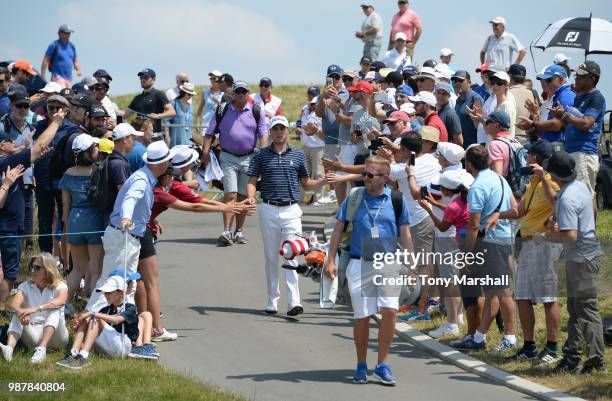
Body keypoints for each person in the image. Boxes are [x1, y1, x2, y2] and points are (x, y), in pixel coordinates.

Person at [138, 146, 252, 341]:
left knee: (141, 279)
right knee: (150, 282)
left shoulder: (167, 185)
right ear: (165, 174)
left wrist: (230, 206)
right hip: (141, 232)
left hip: (142, 228)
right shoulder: (161, 190)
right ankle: (155, 328)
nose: (174, 178)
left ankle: (144, 320)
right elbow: (195, 207)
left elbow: (199, 199)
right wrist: (229, 207)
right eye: (171, 174)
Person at [324, 155, 413, 386]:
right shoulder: (354, 197)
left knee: (390, 311)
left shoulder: (396, 199)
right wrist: (330, 260)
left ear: (385, 178)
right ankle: (361, 364)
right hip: (359, 262)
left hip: (388, 261)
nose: (365, 178)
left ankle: (383, 364)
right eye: (364, 173)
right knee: (362, 316)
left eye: (371, 175)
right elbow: (338, 229)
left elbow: (405, 233)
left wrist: (413, 263)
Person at [485, 141, 563, 365]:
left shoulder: (551, 182)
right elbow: (520, 210)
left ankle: (552, 347)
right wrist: (497, 215)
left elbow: (556, 205)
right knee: (522, 296)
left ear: (536, 158)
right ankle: (529, 346)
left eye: (529, 154)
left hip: (544, 244)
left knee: (548, 298)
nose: (526, 157)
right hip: (527, 243)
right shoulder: (533, 183)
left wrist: (544, 177)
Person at [246, 116, 323, 315]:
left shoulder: (297, 155)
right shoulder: (261, 155)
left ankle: (293, 302)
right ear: (270, 132)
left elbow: (306, 183)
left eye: (282, 129)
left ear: (288, 132)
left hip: (291, 210)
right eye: (275, 129)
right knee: (271, 257)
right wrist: (251, 197)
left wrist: (323, 182)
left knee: (292, 255)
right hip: (269, 209)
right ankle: (272, 300)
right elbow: (252, 180)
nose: (279, 132)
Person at [85, 141, 174, 314]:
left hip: (128, 237)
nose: (169, 164)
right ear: (161, 163)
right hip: (123, 237)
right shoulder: (141, 180)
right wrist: (126, 217)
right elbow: (130, 199)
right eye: (168, 161)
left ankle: (119, 326)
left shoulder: (145, 176)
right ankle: (90, 320)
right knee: (111, 283)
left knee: (127, 284)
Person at [543, 152, 606, 374]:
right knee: (576, 308)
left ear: (554, 175)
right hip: (585, 253)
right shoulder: (579, 187)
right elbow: (593, 208)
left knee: (586, 310)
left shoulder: (567, 197)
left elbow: (569, 236)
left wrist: (545, 237)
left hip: (581, 258)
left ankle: (596, 361)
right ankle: (572, 355)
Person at [0, 108, 65, 321]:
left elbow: (35, 152)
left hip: (10, 226)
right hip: (6, 228)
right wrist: (55, 122)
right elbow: (38, 147)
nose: (13, 143)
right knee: (8, 271)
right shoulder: (6, 163)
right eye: (8, 141)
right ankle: (1, 309)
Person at [452, 145, 517, 355]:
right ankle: (479, 337)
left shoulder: (477, 187)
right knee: (491, 292)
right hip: (505, 237)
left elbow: (473, 225)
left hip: (489, 242)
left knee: (501, 291)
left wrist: (468, 254)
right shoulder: (500, 179)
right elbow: (515, 208)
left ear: (468, 164)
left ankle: (510, 336)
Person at [201, 80, 268, 246]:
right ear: (234, 93)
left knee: (243, 196)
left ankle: (238, 232)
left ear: (247, 93)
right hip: (228, 157)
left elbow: (263, 135)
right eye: (237, 91)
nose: (240, 94)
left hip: (249, 158)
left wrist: (264, 156)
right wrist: (205, 151)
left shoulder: (256, 110)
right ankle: (226, 231)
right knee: (230, 194)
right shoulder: (222, 109)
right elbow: (209, 133)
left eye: (243, 91)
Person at [419, 169, 473, 338]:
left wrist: (428, 210)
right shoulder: (462, 199)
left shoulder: (455, 205)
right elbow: (451, 210)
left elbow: (443, 225)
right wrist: (434, 204)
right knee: (456, 282)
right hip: (466, 245)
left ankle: (451, 325)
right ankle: (458, 317)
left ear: (446, 191)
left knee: (451, 284)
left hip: (455, 244)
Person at [59, 134, 105, 312]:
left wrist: (66, 225)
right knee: (95, 267)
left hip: (74, 220)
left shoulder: (68, 173)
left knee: (77, 268)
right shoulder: (97, 171)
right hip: (94, 220)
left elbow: (65, 203)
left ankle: (65, 304)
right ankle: (94, 308)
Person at [57, 276, 141, 369]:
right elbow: (92, 329)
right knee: (88, 319)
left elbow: (116, 320)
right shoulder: (105, 309)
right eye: (105, 293)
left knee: (94, 317)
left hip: (123, 347)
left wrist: (91, 313)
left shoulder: (130, 308)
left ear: (121, 292)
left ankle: (83, 356)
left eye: (109, 292)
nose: (106, 295)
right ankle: (73, 353)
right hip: (109, 346)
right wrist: (76, 325)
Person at [0, 253, 69, 364]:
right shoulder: (25, 286)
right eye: (31, 266)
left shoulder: (60, 285)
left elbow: (61, 301)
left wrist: (36, 309)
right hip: (34, 334)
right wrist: (22, 314)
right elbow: (14, 305)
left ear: (48, 269)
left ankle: (42, 350)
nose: (32, 270)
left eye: (37, 267)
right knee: (16, 313)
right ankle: (9, 349)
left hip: (57, 337)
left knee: (54, 308)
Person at [550, 61, 605, 198]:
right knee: (576, 196)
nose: (576, 78)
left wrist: (564, 115)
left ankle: (590, 221)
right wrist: (560, 117)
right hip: (573, 151)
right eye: (576, 75)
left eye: (581, 76)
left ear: (592, 79)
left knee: (585, 196)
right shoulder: (579, 97)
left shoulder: (596, 98)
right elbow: (570, 125)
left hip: (584, 152)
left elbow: (586, 124)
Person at [125, 69, 176, 133]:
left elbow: (172, 112)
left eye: (146, 78)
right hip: (140, 136)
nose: (143, 80)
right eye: (141, 78)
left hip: (155, 136)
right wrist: (112, 110)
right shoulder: (137, 98)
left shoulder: (159, 94)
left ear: (154, 79)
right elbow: (125, 115)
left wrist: (158, 116)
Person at [298, 94, 325, 204]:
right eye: (312, 104)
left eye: (316, 104)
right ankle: (298, 198)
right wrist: (304, 128)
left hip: (318, 147)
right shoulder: (306, 110)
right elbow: (302, 125)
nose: (313, 106)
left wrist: (314, 129)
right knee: (302, 172)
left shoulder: (323, 114)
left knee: (318, 173)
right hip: (306, 146)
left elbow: (323, 134)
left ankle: (318, 198)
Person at [452, 70, 483, 149]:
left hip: (474, 148)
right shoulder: (458, 100)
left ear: (469, 82)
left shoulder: (475, 98)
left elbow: (481, 125)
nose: (457, 83)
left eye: (461, 80)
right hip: (462, 147)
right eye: (455, 81)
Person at [508, 64, 536, 144]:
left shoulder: (506, 94)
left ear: (509, 76)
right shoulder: (532, 93)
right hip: (527, 140)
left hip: (510, 140)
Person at [484, 111, 513, 177]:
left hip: (501, 185)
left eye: (487, 122)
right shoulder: (513, 141)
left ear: (497, 125)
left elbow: (497, 174)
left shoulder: (495, 145)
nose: (485, 124)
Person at [168, 82, 196, 148]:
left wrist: (194, 136)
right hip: (176, 139)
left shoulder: (191, 106)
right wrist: (167, 136)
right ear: (183, 93)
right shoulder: (174, 103)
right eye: (189, 94)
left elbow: (191, 124)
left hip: (188, 139)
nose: (190, 96)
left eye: (192, 95)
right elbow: (167, 121)